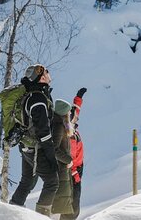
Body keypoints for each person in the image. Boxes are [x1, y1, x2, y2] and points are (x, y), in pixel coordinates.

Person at [9, 64, 59, 216]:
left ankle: (11, 213)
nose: (49, 74)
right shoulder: (38, 99)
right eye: (47, 72)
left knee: (27, 182)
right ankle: (42, 217)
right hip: (37, 150)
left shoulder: (30, 95)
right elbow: (43, 131)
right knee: (52, 182)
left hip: (27, 147)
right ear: (41, 76)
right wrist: (51, 157)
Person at [61, 87, 86, 220]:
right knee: (72, 205)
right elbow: (69, 159)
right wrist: (75, 174)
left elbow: (76, 110)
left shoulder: (70, 122)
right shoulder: (68, 136)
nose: (75, 120)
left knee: (73, 203)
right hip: (72, 172)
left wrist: (79, 97)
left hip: (78, 167)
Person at [51, 99, 74, 216]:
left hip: (62, 168)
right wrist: (68, 160)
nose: (70, 114)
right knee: (59, 205)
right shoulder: (59, 126)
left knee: (61, 203)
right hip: (60, 169)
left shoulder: (59, 124)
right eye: (69, 112)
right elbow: (53, 149)